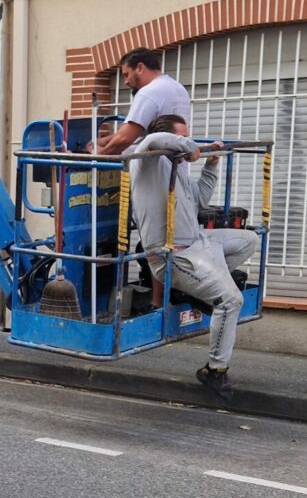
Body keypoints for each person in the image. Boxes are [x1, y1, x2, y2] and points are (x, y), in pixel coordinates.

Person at [126, 114, 257, 401]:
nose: (188, 142)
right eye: (182, 136)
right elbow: (152, 139)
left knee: (250, 240)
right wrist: (188, 145)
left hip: (199, 242)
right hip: (173, 255)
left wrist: (210, 165)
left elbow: (199, 199)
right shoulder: (147, 159)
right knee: (231, 300)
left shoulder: (178, 167)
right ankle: (215, 369)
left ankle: (200, 290)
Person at [98, 48, 192, 155]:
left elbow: (124, 138)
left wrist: (100, 154)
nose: (126, 82)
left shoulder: (148, 92)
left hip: (153, 168)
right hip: (176, 165)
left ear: (140, 68)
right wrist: (103, 141)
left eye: (126, 75)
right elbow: (138, 133)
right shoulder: (176, 87)